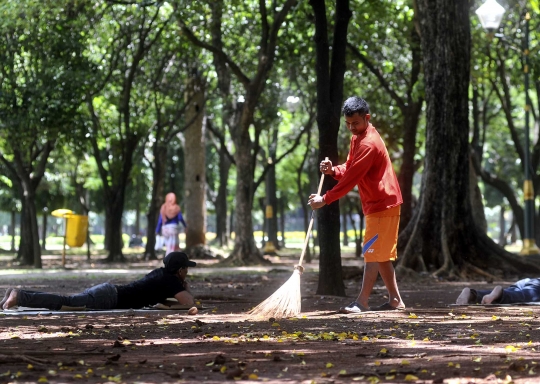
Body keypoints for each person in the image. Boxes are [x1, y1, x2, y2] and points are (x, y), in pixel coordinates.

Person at [308, 96, 405, 313]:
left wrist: (325, 199)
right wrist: (333, 170)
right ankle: (395, 300)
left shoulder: (369, 143)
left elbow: (352, 177)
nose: (352, 128)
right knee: (380, 256)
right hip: (377, 205)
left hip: (383, 204)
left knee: (372, 252)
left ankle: (361, 302)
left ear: (367, 118)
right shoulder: (358, 138)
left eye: (356, 123)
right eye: (348, 124)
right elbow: (350, 166)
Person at [1, 252, 197, 311]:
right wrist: (185, 287)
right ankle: (20, 296)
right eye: (186, 268)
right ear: (180, 270)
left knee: (67, 299)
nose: (187, 271)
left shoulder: (161, 274)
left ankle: (18, 293)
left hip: (108, 291)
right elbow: (189, 303)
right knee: (65, 303)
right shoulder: (171, 281)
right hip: (108, 298)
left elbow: (163, 301)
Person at [456, 278, 540, 305]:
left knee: (511, 291)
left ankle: (472, 294)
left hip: (525, 281)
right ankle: (499, 293)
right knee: (522, 296)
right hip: (537, 284)